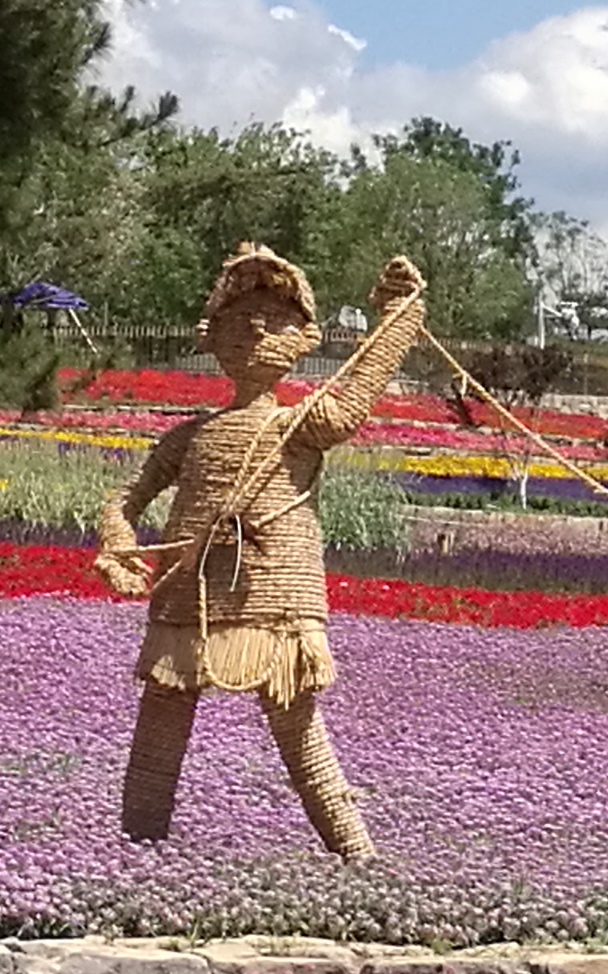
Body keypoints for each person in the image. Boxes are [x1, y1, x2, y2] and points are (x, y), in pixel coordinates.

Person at [94, 244, 428, 860]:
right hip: (186, 596)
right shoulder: (188, 437)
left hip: (275, 592)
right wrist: (118, 545)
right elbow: (123, 501)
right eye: (237, 318)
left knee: (295, 721)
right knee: (160, 724)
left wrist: (397, 317)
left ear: (304, 338)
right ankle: (136, 853)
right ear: (210, 336)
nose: (253, 328)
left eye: (273, 320)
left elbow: (352, 399)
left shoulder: (298, 427)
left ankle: (358, 855)